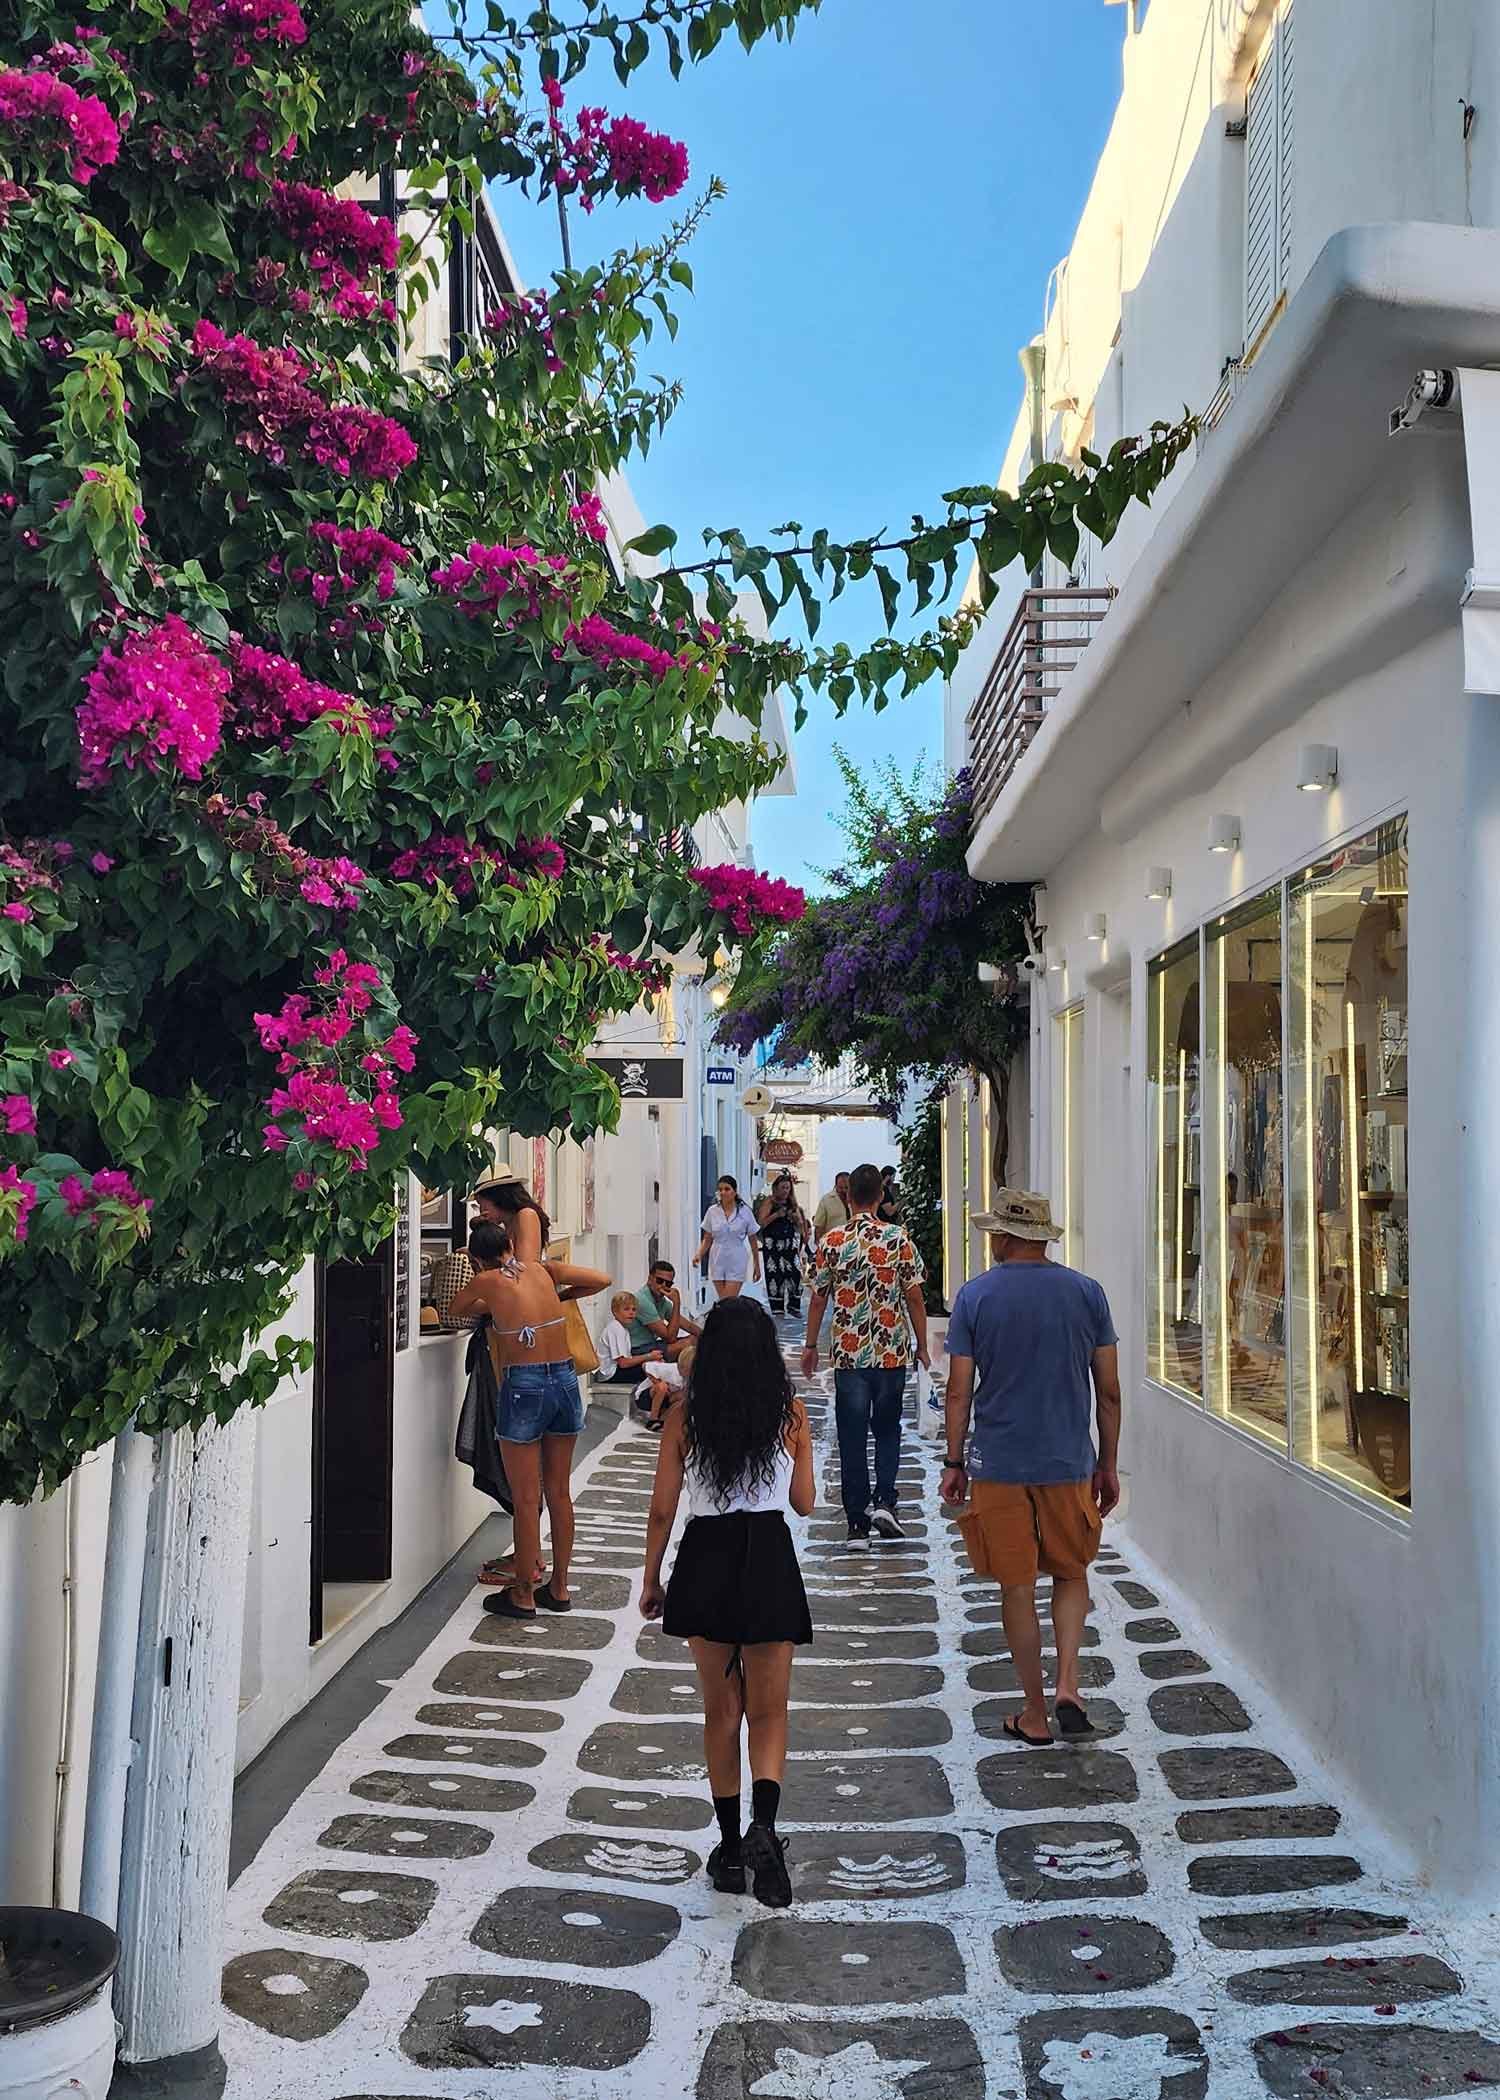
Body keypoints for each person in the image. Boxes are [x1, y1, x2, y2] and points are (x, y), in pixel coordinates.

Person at [640, 1298, 814, 1908]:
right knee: (770, 1711)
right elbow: (805, 1502)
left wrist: (651, 1579)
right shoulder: (789, 1413)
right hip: (767, 1553)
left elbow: (664, 1509)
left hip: (707, 1556)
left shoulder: (684, 1418)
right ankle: (766, 1827)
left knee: (723, 1710)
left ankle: (731, 1847)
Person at [940, 1188, 1121, 1748]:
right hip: (1068, 1459)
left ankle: (1035, 1713)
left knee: (1017, 1588)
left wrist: (953, 1460)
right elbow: (1108, 1392)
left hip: (999, 1462)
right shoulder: (1087, 1295)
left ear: (1007, 1236)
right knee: (1071, 1573)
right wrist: (1108, 1464)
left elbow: (958, 1392)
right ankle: (1069, 1684)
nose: (990, 1238)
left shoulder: (975, 1297)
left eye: (994, 1229)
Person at [448, 1221, 610, 1620]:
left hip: (525, 1385)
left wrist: (495, 1302)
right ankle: (559, 1587)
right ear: (510, 1244)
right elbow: (601, 1279)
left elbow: (453, 1310)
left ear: (474, 1257)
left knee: (525, 1500)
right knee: (558, 1492)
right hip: (566, 1379)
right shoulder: (543, 1270)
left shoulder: (487, 1281)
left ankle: (522, 1593)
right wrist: (558, 1296)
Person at [802, 1162, 928, 1548]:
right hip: (891, 1353)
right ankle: (886, 1502)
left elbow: (818, 1298)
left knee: (852, 1435)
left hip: (850, 1355)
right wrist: (922, 1344)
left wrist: (809, 1346)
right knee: (888, 1429)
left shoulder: (833, 1242)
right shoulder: (898, 1239)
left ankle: (857, 1522)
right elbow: (914, 1296)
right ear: (879, 1197)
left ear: (848, 1195)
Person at [697, 1174, 762, 1300]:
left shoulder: (745, 1212)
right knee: (723, 1300)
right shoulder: (712, 1211)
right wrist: (699, 1254)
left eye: (727, 1189)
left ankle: (728, 1319)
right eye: (720, 1189)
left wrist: (756, 1265)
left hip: (737, 1257)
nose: (723, 1192)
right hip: (717, 1257)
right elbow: (708, 1237)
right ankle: (727, 1320)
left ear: (734, 1191)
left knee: (729, 1300)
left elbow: (753, 1240)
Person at [756, 1172, 811, 1317]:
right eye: (783, 1188)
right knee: (775, 1276)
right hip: (773, 1245)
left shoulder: (793, 1204)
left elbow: (801, 1226)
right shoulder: (769, 1202)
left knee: (795, 1275)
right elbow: (761, 1222)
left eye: (788, 1188)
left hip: (790, 1246)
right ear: (776, 1188)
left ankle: (794, 1306)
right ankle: (777, 1308)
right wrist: (776, 1215)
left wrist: (796, 1220)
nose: (785, 1191)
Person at [631, 1259, 700, 1362]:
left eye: (668, 1283)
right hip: (638, 1350)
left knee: (696, 1340)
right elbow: (670, 1338)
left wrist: (711, 1336)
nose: (663, 1285)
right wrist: (677, 1303)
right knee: (688, 1345)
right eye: (659, 1281)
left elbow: (688, 1325)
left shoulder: (661, 1300)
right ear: (650, 1279)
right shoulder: (642, 1300)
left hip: (652, 1345)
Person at [474, 1172, 550, 1263]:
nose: (481, 1210)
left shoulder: (526, 1215)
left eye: (481, 1204)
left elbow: (526, 1266)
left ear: (496, 1197)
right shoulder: (506, 1225)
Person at [598, 1291, 664, 1387]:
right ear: (615, 1312)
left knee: (655, 1365)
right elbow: (623, 1363)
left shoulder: (623, 1329)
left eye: (634, 1310)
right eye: (626, 1309)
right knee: (651, 1367)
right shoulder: (616, 1328)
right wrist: (649, 1356)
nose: (631, 1313)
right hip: (610, 1374)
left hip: (616, 1370)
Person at [811, 1171, 851, 1243]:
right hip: (832, 1244)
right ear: (835, 1186)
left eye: (846, 1187)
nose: (844, 1190)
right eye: (841, 1188)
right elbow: (819, 1226)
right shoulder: (826, 1200)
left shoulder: (855, 1200)